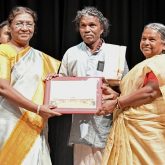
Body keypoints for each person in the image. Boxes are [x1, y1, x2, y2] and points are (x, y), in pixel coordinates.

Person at [49, 6, 129, 165]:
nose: (87, 29)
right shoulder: (71, 53)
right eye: (83, 25)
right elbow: (63, 84)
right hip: (81, 124)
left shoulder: (115, 53)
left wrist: (114, 95)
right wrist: (56, 80)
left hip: (108, 121)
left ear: (102, 28)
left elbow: (127, 87)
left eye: (92, 25)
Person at [0, 6, 61, 165]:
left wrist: (56, 80)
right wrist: (38, 109)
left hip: (35, 122)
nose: (25, 28)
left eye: (29, 24)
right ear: (10, 26)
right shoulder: (3, 51)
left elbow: (61, 81)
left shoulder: (42, 58)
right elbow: (2, 87)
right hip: (10, 121)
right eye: (19, 23)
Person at [97, 23, 165, 165]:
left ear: (163, 45)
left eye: (152, 39)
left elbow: (150, 92)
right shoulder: (147, 64)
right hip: (134, 129)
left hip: (146, 132)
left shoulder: (160, 63)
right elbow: (139, 96)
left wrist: (117, 103)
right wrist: (116, 96)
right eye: (143, 39)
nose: (146, 42)